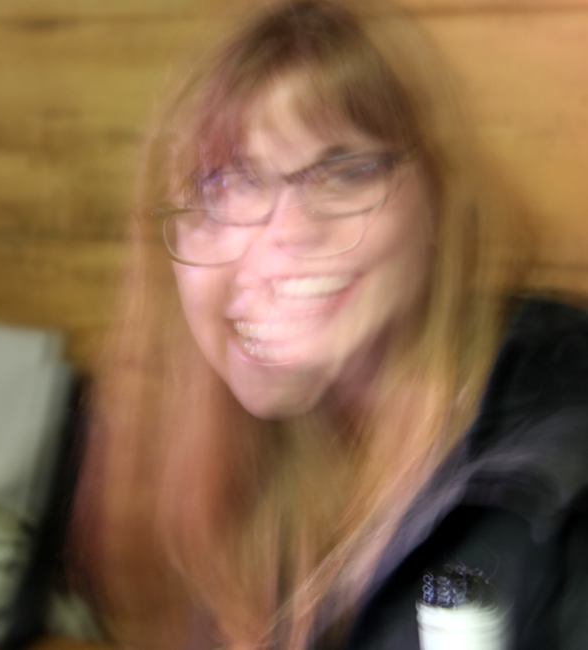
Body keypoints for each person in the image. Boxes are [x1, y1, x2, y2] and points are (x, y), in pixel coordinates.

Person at [72, 1, 588, 648]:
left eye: (346, 172)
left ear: (437, 200)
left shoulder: (555, 495)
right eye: (223, 185)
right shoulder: (272, 470)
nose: (285, 233)